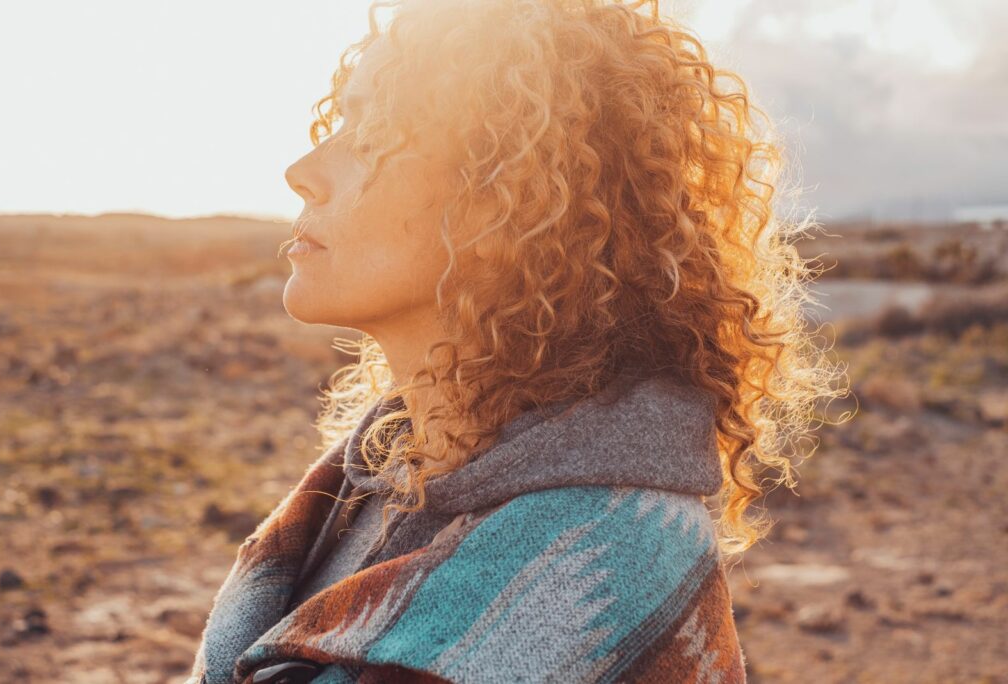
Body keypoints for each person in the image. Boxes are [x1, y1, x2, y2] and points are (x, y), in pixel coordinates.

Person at [186, 1, 845, 682]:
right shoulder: (359, 489)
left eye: (375, 133)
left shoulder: (617, 565)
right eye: (340, 122)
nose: (303, 169)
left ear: (507, 196)